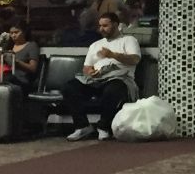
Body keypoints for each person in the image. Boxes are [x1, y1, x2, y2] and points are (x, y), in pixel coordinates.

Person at [58, 12, 140, 141]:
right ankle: (82, 126)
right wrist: (90, 71)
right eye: (100, 26)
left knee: (112, 90)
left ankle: (104, 127)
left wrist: (112, 55)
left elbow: (134, 59)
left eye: (105, 25)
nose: (101, 29)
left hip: (119, 78)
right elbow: (86, 67)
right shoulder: (95, 45)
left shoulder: (128, 40)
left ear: (116, 25)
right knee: (69, 87)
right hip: (96, 79)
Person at [1, 23, 42, 92]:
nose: (13, 35)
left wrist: (16, 61)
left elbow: (32, 68)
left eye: (16, 32)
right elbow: (0, 65)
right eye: (11, 33)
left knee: (7, 79)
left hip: (22, 81)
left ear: (24, 32)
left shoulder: (32, 46)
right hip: (7, 76)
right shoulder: (9, 46)